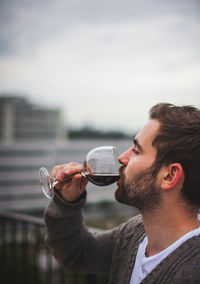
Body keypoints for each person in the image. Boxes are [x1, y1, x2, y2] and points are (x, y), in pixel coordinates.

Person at [44, 103, 200, 283]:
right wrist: (66, 201)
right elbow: (78, 253)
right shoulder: (135, 233)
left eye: (136, 150)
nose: (122, 158)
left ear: (170, 176)